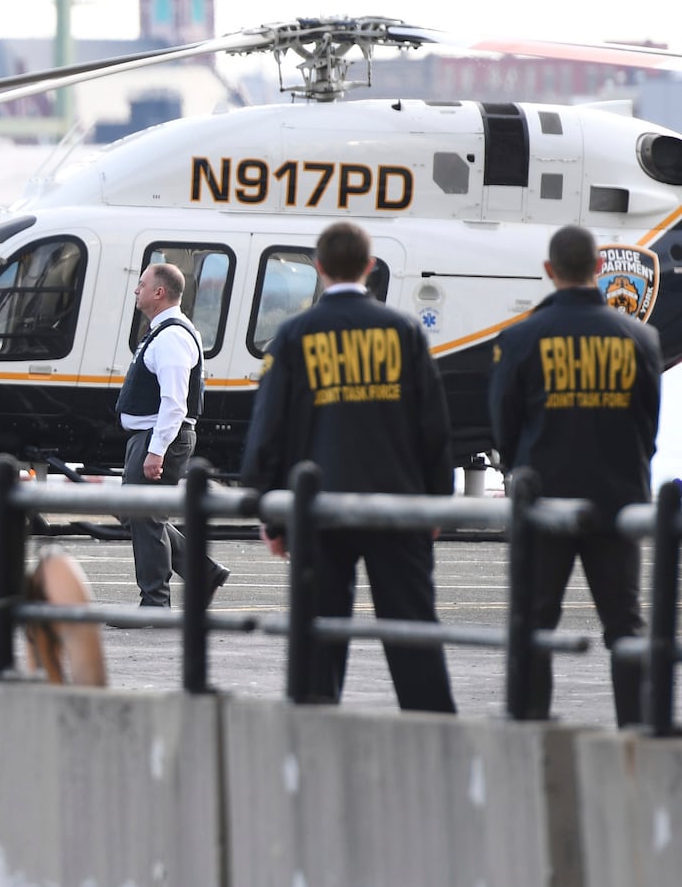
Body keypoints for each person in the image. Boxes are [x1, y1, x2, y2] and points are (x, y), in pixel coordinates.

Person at [240, 221, 457, 713]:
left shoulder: (293, 336)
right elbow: (435, 429)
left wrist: (272, 515)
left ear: (318, 267)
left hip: (320, 512)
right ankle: (435, 734)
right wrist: (435, 504)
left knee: (317, 638)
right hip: (396, 506)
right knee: (412, 634)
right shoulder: (405, 332)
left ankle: (313, 736)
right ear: (369, 266)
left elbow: (268, 429)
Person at [489, 224, 661, 727]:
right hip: (617, 499)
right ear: (599, 268)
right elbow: (645, 422)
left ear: (549, 271)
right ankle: (637, 729)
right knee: (625, 625)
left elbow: (504, 422)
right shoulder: (641, 337)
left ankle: (530, 725)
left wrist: (521, 466)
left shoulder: (520, 337)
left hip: (544, 499)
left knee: (535, 622)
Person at [115, 262, 231, 614]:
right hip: (151, 434)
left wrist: (156, 450)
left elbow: (174, 403)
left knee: (145, 516)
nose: (136, 290)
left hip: (160, 434)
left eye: (141, 285)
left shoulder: (172, 337)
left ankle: (155, 602)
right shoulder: (163, 332)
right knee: (143, 515)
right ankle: (204, 574)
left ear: (159, 292)